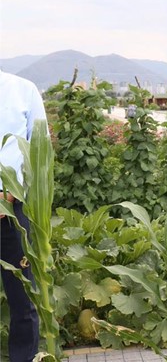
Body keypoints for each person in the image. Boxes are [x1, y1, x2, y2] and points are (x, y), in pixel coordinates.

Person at [0, 69, 43, 362]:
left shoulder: (23, 90)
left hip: (13, 210)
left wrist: (10, 193)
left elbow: (40, 151)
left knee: (22, 296)